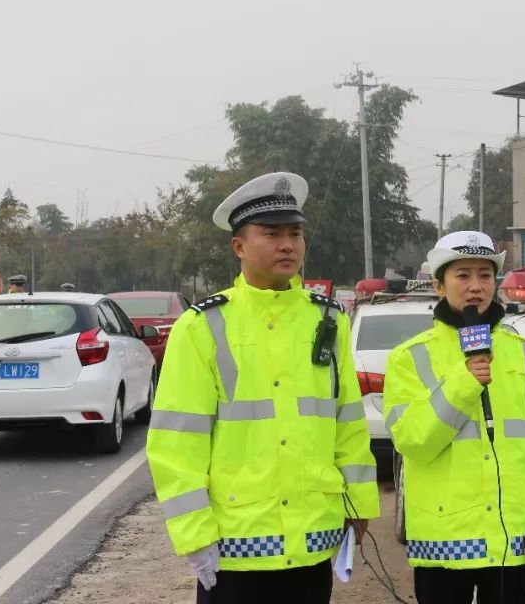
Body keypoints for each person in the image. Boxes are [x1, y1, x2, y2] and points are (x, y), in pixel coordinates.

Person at [145, 172, 379, 604]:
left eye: (295, 233)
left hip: (312, 538)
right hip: (236, 546)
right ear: (239, 246)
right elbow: (177, 443)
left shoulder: (328, 321)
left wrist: (359, 503)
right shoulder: (202, 327)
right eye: (271, 234)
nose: (288, 244)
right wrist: (194, 534)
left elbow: (347, 419)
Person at [383, 230, 525, 604]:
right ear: (439, 286)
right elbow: (412, 441)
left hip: (511, 538)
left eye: (485, 275)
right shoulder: (409, 357)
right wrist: (463, 381)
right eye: (463, 275)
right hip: (444, 539)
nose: (476, 286)